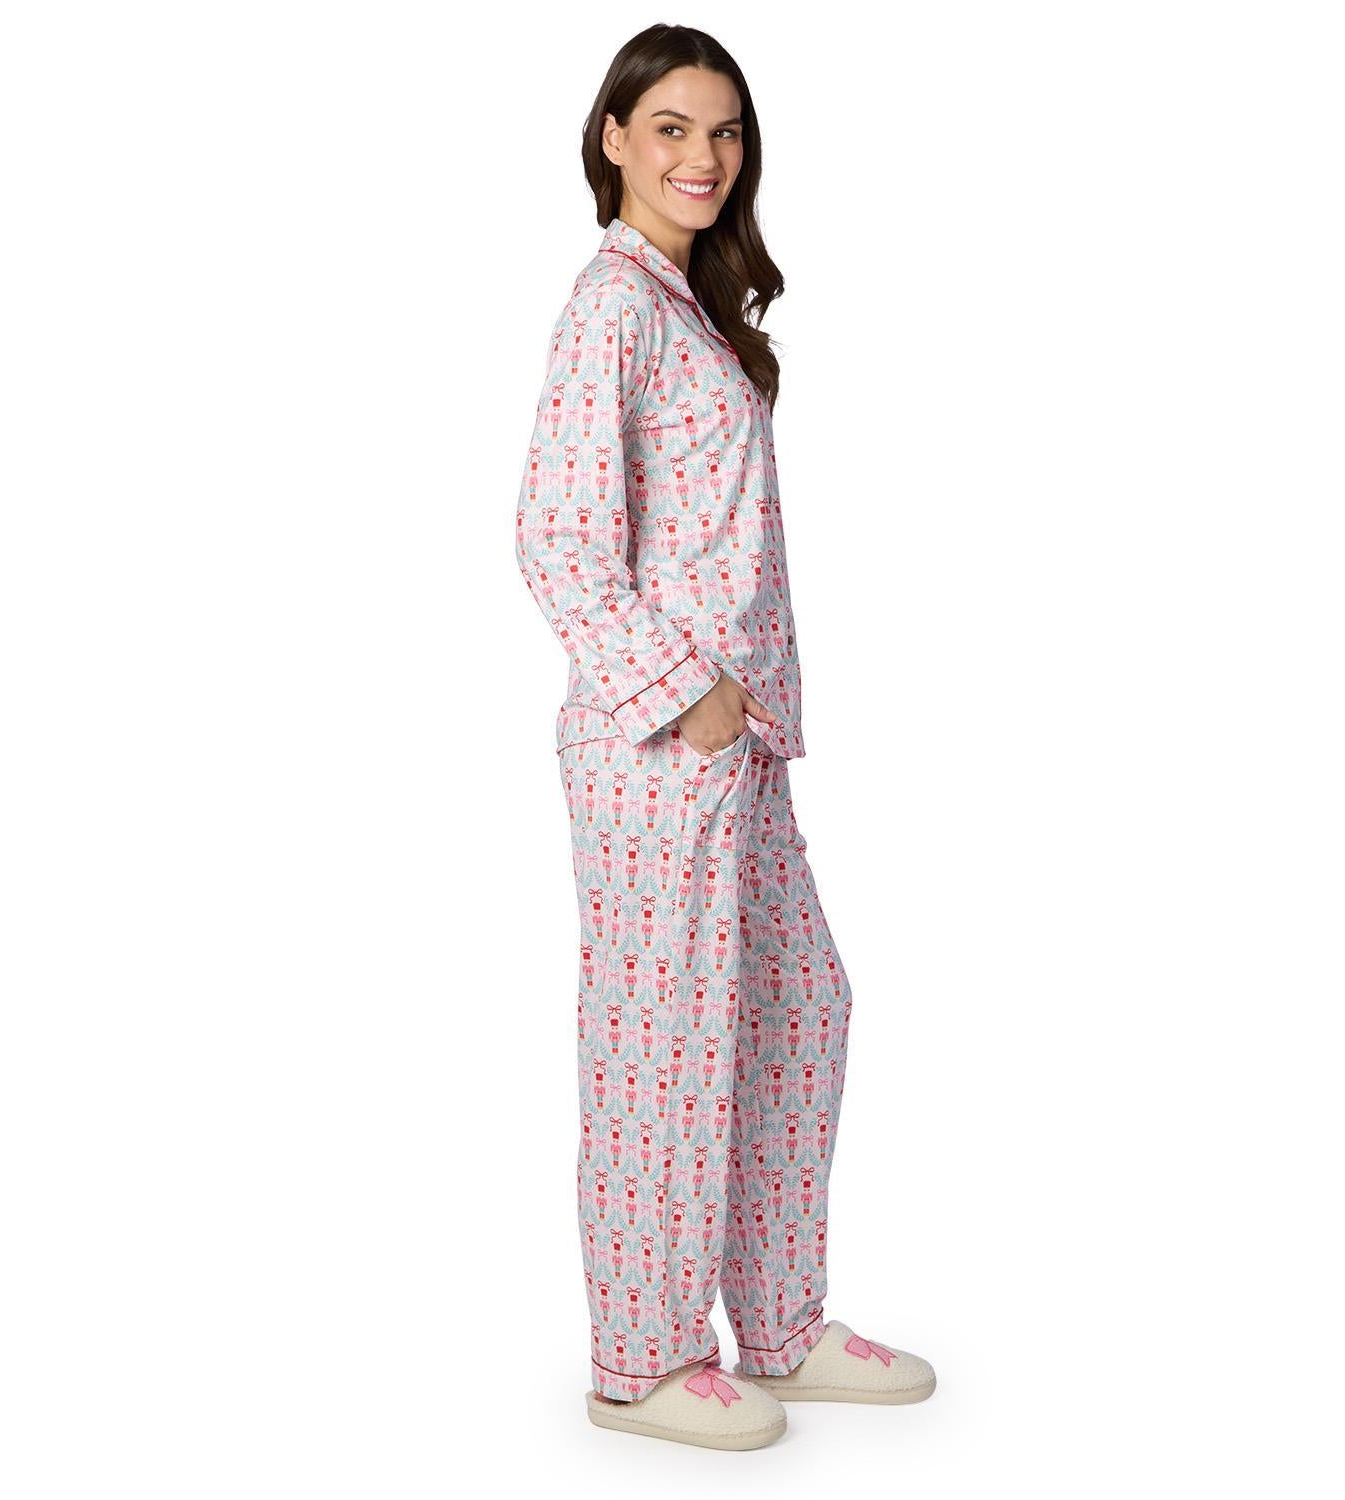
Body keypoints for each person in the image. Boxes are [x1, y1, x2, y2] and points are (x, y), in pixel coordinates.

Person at [513, 23, 936, 1450]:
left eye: (726, 131)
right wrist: (686, 697)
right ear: (615, 140)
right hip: (659, 748)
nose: (704, 156)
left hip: (738, 748)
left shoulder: (689, 309)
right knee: (667, 1040)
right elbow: (560, 541)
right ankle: (640, 1361)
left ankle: (780, 1325)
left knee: (800, 1008)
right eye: (672, 127)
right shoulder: (610, 305)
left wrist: (742, 718)